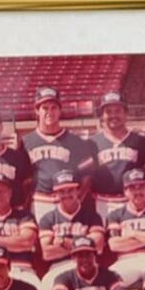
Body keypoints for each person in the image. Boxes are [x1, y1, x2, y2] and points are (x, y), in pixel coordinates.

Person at [22, 85, 100, 221]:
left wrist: (77, 198)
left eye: (54, 108)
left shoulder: (75, 141)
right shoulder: (26, 142)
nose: (49, 112)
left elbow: (87, 175)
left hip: (67, 201)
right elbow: (23, 179)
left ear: (60, 110)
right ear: (37, 111)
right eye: (45, 108)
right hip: (41, 200)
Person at [90, 90, 145, 213]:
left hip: (132, 202)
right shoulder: (92, 143)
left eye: (118, 111)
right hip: (101, 202)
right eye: (108, 112)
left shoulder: (141, 142)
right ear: (102, 115)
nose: (113, 115)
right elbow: (86, 178)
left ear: (126, 113)